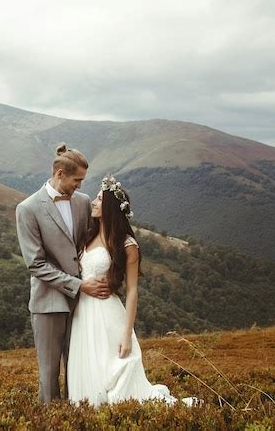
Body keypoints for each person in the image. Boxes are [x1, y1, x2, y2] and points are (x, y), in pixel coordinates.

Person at [67, 174, 191, 406]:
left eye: (98, 199)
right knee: (89, 366)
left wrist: (127, 333)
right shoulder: (87, 235)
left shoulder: (127, 245)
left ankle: (121, 413)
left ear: (111, 208)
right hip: (83, 314)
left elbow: (132, 291)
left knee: (115, 367)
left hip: (108, 314)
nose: (93, 203)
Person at [16, 143, 110, 403]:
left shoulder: (82, 203)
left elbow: (91, 242)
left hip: (83, 304)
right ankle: (50, 420)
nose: (80, 186)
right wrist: (79, 285)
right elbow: (35, 264)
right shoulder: (27, 208)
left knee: (78, 367)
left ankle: (74, 416)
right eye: (77, 180)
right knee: (49, 372)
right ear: (60, 173)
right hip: (47, 302)